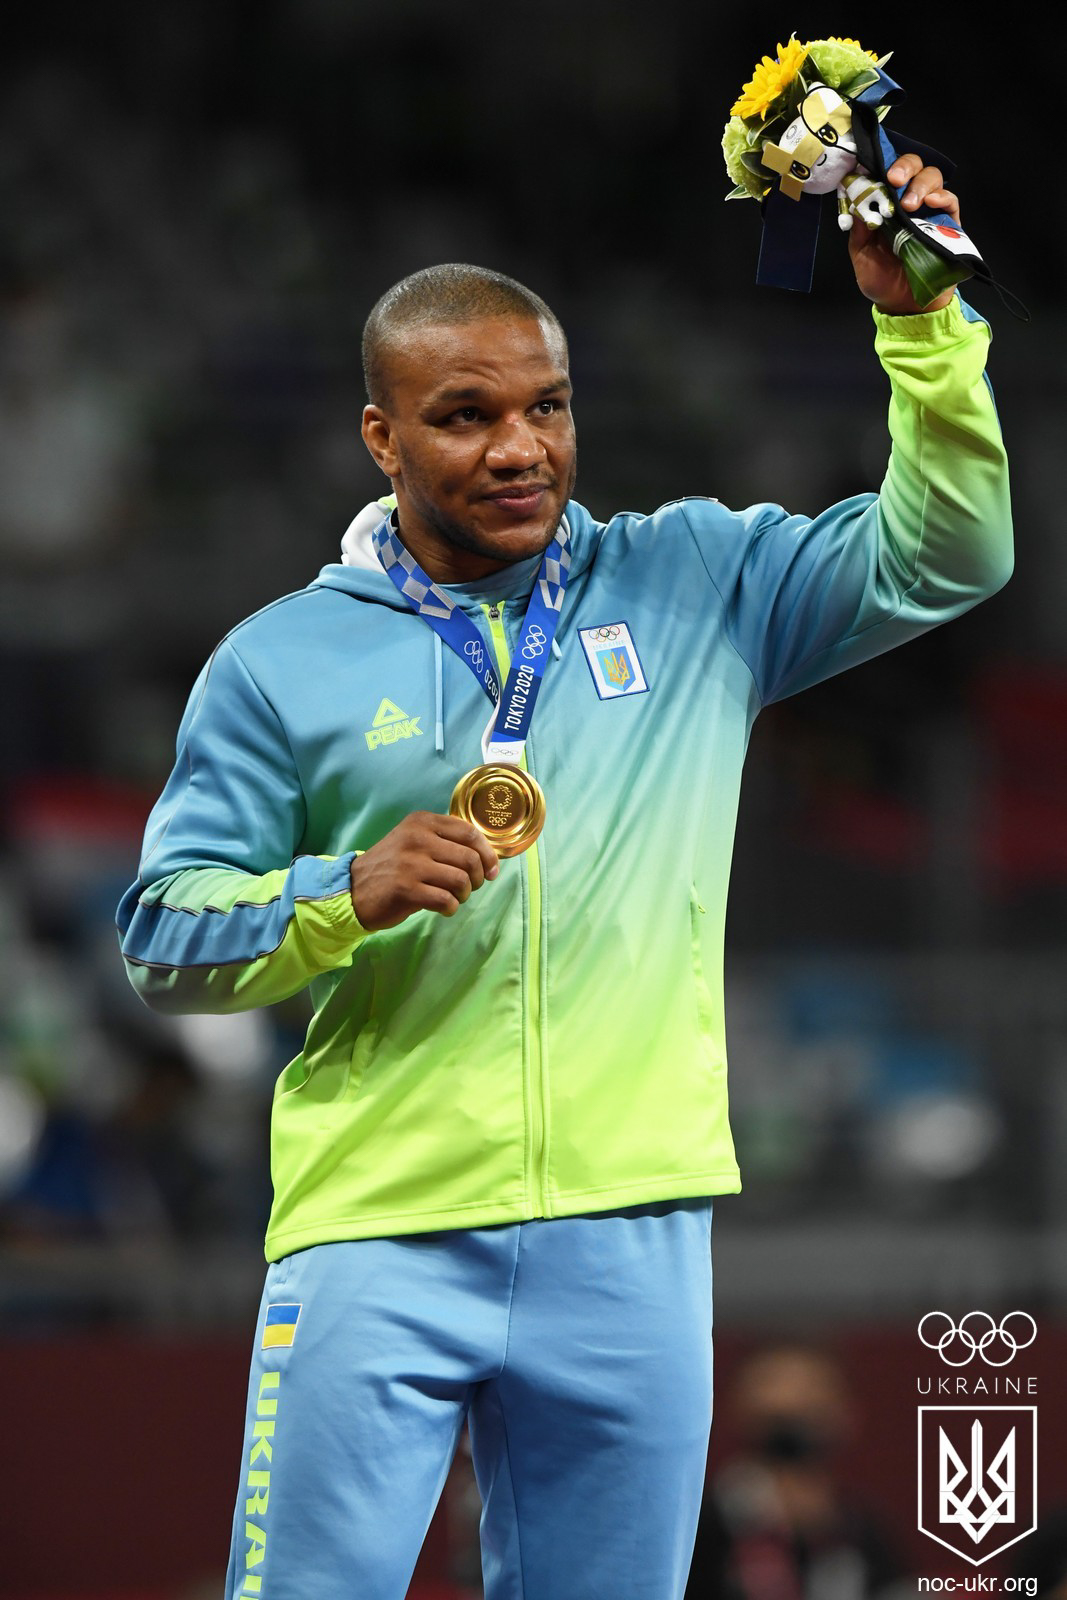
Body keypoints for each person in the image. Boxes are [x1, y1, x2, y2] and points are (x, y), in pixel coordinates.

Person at [116, 153, 1012, 1600]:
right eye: (464, 417)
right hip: (377, 1229)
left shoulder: (699, 581)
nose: (520, 446)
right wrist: (342, 890)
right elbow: (163, 934)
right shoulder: (281, 659)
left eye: (548, 406)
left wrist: (924, 330)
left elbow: (954, 554)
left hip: (632, 1231)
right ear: (380, 437)